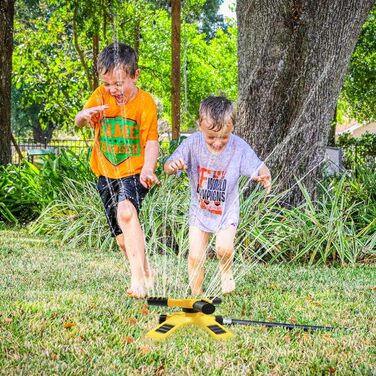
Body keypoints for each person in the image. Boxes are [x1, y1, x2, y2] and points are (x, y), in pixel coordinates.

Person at [75, 42, 159, 298]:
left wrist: (148, 169)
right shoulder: (100, 95)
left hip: (134, 172)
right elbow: (79, 122)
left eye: (118, 83)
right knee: (122, 238)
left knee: (126, 213)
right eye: (107, 83)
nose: (113, 89)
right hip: (105, 174)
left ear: (135, 75)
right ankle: (146, 272)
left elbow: (152, 141)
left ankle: (137, 281)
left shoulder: (145, 104)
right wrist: (84, 116)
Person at [164, 96, 271, 296]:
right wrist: (173, 166)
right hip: (200, 211)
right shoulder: (192, 143)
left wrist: (264, 174)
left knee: (223, 248)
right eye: (211, 137)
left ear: (232, 129)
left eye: (224, 137)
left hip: (227, 210)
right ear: (200, 126)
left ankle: (225, 271)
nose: (217, 143)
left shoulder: (238, 146)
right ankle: (197, 296)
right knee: (195, 256)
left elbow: (257, 165)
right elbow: (168, 166)